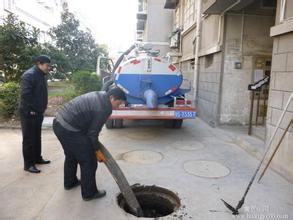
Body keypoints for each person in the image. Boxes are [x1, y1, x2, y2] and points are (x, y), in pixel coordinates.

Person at [53, 87, 126, 201]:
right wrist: (96, 151)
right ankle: (89, 193)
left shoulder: (101, 95)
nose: (119, 106)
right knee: (89, 160)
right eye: (119, 103)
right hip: (69, 128)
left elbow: (89, 125)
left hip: (59, 123)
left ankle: (70, 182)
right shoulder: (105, 107)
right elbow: (92, 134)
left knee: (71, 155)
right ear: (111, 98)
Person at [20, 55, 51, 174]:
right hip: (29, 112)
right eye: (47, 65)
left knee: (37, 137)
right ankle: (28, 164)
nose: (49, 68)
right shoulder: (29, 75)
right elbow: (26, 95)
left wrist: (41, 108)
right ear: (39, 63)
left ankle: (37, 158)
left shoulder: (41, 75)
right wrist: (35, 108)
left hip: (38, 112)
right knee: (29, 139)